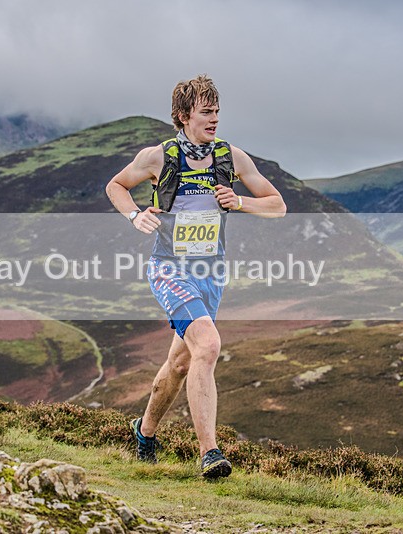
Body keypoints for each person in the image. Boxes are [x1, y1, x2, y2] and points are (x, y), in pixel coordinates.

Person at [105, 75, 286, 478]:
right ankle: (210, 454)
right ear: (184, 115)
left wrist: (239, 201)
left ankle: (145, 431)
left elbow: (278, 206)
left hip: (211, 273)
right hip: (169, 268)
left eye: (218, 111)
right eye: (207, 112)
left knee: (182, 362)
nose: (215, 119)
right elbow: (116, 185)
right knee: (208, 345)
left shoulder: (231, 158)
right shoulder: (159, 157)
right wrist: (135, 215)